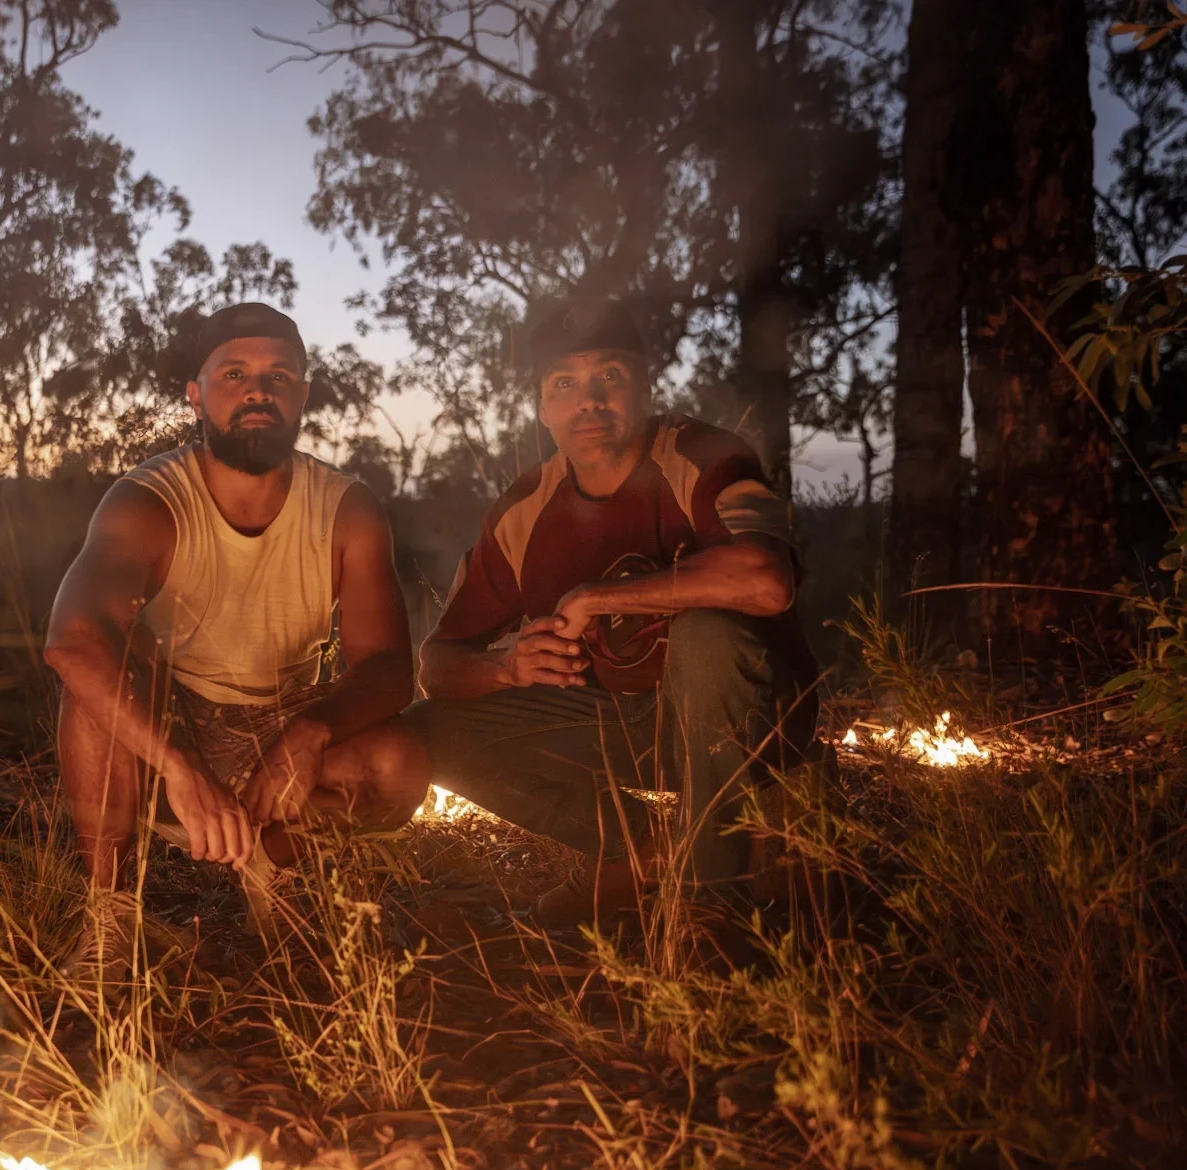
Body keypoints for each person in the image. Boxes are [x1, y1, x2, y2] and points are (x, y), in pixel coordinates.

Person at [410, 299, 820, 918]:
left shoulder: (702, 457)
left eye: (610, 377)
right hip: (621, 722)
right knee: (426, 732)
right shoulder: (523, 509)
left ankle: (710, 905)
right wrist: (507, 668)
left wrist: (598, 597)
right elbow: (437, 664)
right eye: (565, 383)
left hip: (748, 719)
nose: (589, 401)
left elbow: (768, 582)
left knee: (708, 638)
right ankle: (643, 853)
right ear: (543, 406)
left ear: (645, 388)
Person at [45, 302, 429, 912]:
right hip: (173, 715)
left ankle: (267, 861)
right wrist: (177, 767)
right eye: (234, 375)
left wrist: (310, 731)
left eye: (278, 377)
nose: (257, 392)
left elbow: (387, 666)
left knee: (401, 763)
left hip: (281, 715)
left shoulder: (346, 508)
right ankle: (110, 912)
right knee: (94, 695)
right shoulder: (149, 501)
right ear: (195, 397)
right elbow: (72, 639)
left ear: (303, 395)